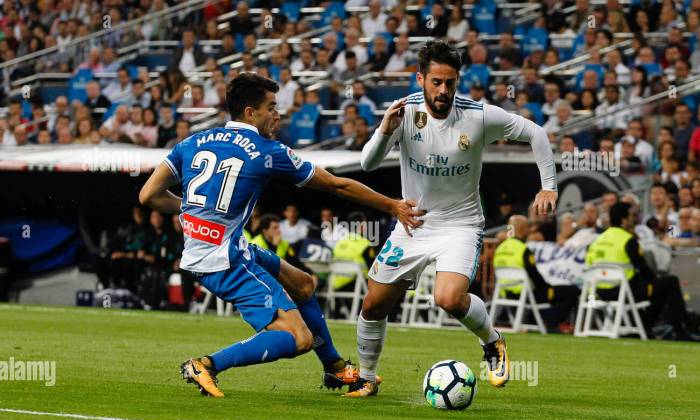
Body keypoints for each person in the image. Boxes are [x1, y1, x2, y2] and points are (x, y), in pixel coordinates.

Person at [139, 72, 424, 397]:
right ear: (250, 112)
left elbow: (148, 195)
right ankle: (207, 363)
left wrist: (190, 212)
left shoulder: (191, 142)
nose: (278, 114)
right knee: (298, 338)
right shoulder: (267, 151)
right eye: (271, 107)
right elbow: (337, 184)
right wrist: (392, 206)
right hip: (223, 260)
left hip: (212, 248)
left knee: (303, 284)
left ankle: (334, 369)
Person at [353, 41, 558, 397]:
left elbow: (535, 133)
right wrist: (385, 129)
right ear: (420, 79)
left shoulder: (478, 116)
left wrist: (549, 187)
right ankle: (367, 379)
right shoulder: (404, 115)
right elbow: (367, 164)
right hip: (413, 223)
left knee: (447, 298)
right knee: (373, 304)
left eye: (450, 82)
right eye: (436, 82)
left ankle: (492, 342)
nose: (444, 90)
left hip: (460, 226)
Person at [585, 202, 700, 341]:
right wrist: (654, 280)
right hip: (624, 292)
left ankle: (644, 327)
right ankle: (680, 331)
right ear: (623, 219)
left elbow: (589, 266)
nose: (634, 219)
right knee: (670, 282)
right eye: (631, 216)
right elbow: (643, 269)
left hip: (599, 292)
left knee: (658, 289)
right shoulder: (627, 239)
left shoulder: (598, 240)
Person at [494, 215, 579, 332]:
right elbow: (535, 277)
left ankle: (540, 322)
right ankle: (550, 324)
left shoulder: (500, 248)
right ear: (524, 230)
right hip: (527, 294)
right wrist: (547, 287)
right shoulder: (523, 249)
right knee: (572, 291)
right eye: (528, 227)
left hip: (506, 293)